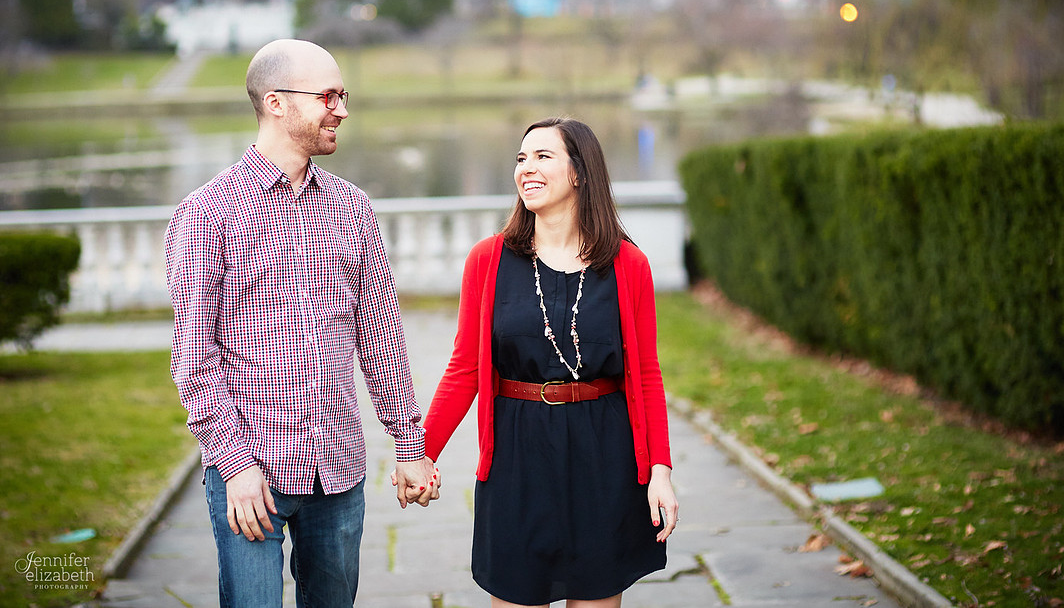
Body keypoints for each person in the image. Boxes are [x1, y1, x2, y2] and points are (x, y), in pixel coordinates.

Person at [165, 38, 439, 608]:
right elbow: (195, 360)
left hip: (339, 473)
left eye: (343, 95)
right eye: (328, 96)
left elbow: (380, 338)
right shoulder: (207, 213)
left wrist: (408, 445)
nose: (342, 110)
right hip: (251, 472)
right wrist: (235, 466)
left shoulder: (352, 207)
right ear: (276, 102)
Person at [419, 117, 679, 608]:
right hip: (517, 458)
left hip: (605, 457)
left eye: (543, 157)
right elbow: (465, 368)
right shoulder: (488, 260)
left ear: (579, 172)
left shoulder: (628, 265)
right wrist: (421, 452)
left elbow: (645, 374)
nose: (527, 168)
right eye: (521, 158)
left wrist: (660, 469)